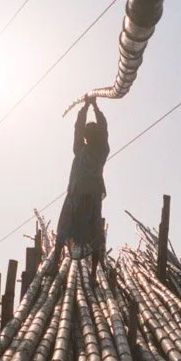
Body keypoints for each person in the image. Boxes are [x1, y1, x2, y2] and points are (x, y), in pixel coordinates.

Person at [55, 96, 109, 257]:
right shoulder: (81, 149)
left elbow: (101, 129)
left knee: (92, 230)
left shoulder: (100, 151)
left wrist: (92, 107)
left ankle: (93, 273)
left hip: (89, 195)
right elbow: (80, 128)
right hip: (77, 193)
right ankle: (58, 262)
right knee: (66, 228)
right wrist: (88, 107)